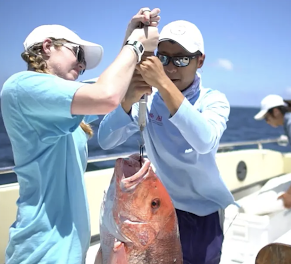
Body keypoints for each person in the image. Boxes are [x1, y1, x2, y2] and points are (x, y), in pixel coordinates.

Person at [0, 7, 161, 264]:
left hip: (70, 253)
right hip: (41, 252)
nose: (83, 64)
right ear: (47, 46)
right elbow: (106, 95)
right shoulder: (22, 86)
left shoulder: (63, 106)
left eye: (84, 63)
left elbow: (113, 88)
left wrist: (131, 36)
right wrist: (136, 44)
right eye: (78, 54)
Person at [97, 20, 235, 264]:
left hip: (202, 214)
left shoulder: (213, 101)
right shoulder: (147, 100)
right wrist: (129, 98)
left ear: (200, 61)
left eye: (181, 60)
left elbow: (205, 141)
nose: (171, 68)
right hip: (154, 209)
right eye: (164, 58)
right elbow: (106, 140)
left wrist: (161, 82)